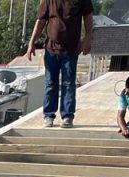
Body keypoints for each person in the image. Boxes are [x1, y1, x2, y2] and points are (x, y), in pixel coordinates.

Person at [26, 0, 94, 128]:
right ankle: (48, 115)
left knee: (68, 84)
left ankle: (67, 116)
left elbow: (88, 18)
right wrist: (31, 43)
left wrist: (87, 39)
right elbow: (40, 21)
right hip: (51, 49)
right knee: (51, 83)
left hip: (71, 49)